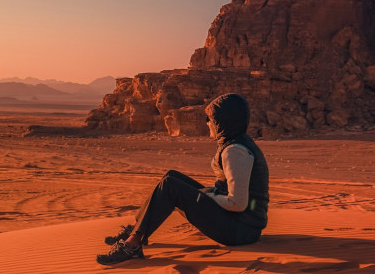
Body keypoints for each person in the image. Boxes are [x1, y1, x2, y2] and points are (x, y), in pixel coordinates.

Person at [96, 92, 269, 265]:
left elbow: (238, 203)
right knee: (171, 176)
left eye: (211, 119)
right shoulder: (237, 143)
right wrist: (208, 192)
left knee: (171, 186)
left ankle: (132, 245)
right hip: (243, 225)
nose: (208, 124)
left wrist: (207, 195)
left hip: (240, 231)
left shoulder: (234, 151)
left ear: (222, 122)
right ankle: (137, 229)